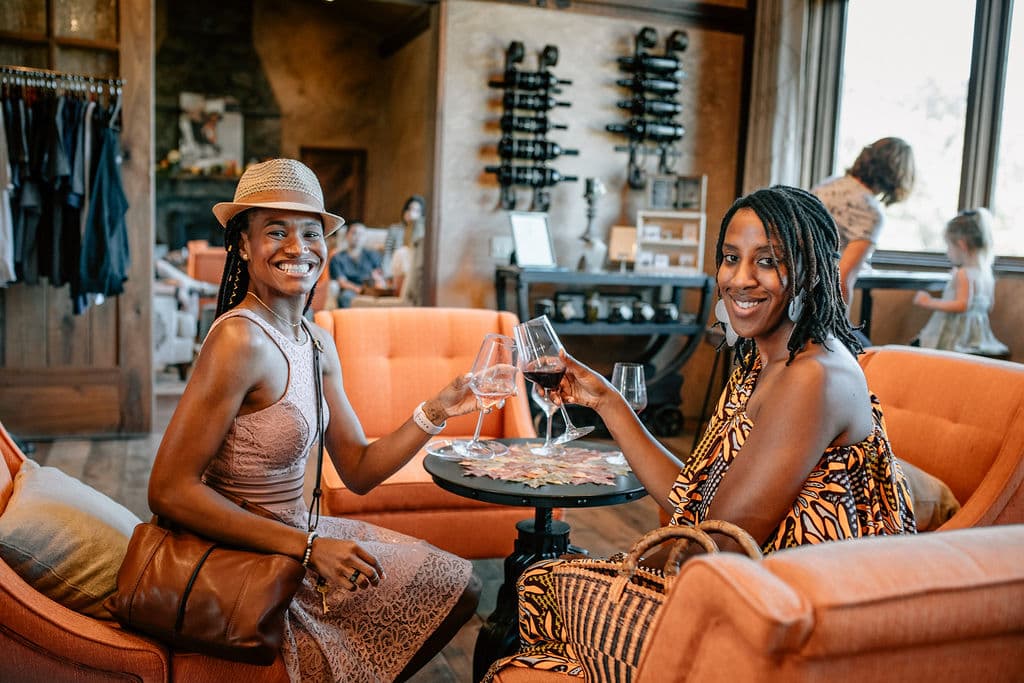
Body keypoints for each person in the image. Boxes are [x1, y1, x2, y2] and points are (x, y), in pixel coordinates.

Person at [488, 185, 917, 678]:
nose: (740, 279)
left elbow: (717, 543)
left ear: (812, 270)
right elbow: (694, 499)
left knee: (542, 583)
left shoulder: (814, 377)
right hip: (744, 585)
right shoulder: (768, 358)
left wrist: (629, 569)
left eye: (768, 261)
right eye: (731, 258)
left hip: (787, 620)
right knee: (547, 584)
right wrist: (605, 399)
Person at [147, 158, 482, 682]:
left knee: (458, 585)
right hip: (242, 551)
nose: (297, 247)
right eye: (275, 231)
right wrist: (307, 548)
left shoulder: (315, 341)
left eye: (310, 232)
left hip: (301, 538)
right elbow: (168, 490)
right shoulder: (239, 340)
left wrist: (436, 409)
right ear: (241, 244)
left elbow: (359, 469)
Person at [812, 137, 916, 316]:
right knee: (861, 343)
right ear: (898, 174)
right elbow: (841, 280)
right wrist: (840, 334)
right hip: (815, 302)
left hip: (788, 290)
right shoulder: (870, 212)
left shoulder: (829, 183)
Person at [912, 207, 1009, 356]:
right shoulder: (985, 273)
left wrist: (928, 301)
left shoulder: (964, 274)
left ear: (961, 244)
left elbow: (962, 305)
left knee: (916, 347)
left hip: (955, 339)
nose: (947, 251)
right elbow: (989, 305)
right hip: (977, 338)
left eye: (949, 246)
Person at [328, 220, 385, 308]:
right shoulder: (338, 258)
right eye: (354, 233)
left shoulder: (372, 255)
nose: (358, 237)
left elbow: (378, 275)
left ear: (365, 237)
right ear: (347, 236)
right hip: (350, 290)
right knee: (345, 298)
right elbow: (342, 282)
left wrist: (376, 284)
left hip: (370, 288)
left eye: (361, 234)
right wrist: (359, 290)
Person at [383, 195, 426, 304]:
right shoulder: (395, 229)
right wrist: (387, 275)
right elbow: (387, 253)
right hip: (396, 268)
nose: (412, 213)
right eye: (410, 209)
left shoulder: (422, 233)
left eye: (417, 210)